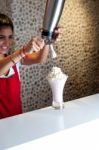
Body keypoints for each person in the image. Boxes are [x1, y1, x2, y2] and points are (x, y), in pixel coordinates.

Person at [0, 13, 60, 119]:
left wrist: (47, 38)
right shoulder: (16, 57)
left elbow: (40, 59)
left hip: (17, 121)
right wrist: (23, 51)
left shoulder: (14, 60)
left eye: (10, 37)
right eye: (1, 37)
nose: (7, 43)